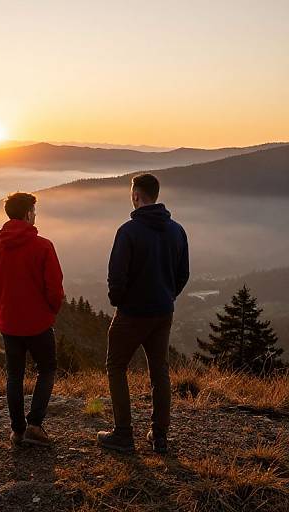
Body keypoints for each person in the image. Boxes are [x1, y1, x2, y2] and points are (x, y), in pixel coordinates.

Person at [97, 173, 189, 454]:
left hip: (132, 314)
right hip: (163, 311)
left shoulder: (128, 231)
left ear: (136, 195)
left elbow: (116, 276)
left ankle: (123, 434)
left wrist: (120, 302)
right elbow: (183, 274)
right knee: (159, 371)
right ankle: (159, 436)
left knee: (116, 367)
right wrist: (167, 295)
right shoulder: (177, 230)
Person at [0, 192, 64, 448]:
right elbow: (54, 289)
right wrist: (50, 311)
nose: (35, 215)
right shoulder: (43, 246)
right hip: (39, 323)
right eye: (34, 211)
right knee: (47, 369)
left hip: (9, 323)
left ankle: (17, 431)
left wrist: (5, 307)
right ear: (28, 213)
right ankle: (35, 425)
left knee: (14, 376)